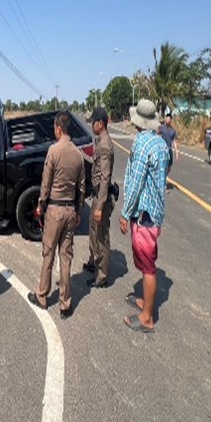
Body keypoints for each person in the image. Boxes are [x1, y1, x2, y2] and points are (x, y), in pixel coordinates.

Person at [28, 111, 85, 319]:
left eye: (54, 128)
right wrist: (78, 211)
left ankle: (42, 296)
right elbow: (81, 187)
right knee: (66, 257)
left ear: (59, 129)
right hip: (70, 210)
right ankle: (65, 304)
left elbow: (46, 183)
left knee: (48, 253)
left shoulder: (53, 151)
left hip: (55, 210)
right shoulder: (78, 154)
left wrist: (40, 205)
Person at [119, 99, 169, 333]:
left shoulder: (142, 144)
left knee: (147, 265)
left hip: (144, 214)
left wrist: (125, 212)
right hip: (155, 211)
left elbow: (136, 182)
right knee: (146, 260)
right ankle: (144, 303)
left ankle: (147, 317)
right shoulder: (160, 143)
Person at [83, 107, 115, 288]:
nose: (91, 125)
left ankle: (102, 275)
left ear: (100, 123)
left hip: (101, 197)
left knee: (101, 236)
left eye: (93, 122)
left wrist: (100, 206)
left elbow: (105, 177)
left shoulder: (105, 146)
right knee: (93, 231)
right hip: (97, 194)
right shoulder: (100, 142)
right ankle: (94, 262)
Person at [160, 112, 180, 176]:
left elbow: (174, 142)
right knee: (162, 166)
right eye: (166, 118)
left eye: (169, 119)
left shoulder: (173, 130)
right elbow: (156, 134)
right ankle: (162, 178)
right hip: (162, 149)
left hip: (169, 150)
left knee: (169, 167)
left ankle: (164, 177)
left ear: (171, 120)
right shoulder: (161, 128)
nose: (167, 120)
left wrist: (176, 153)